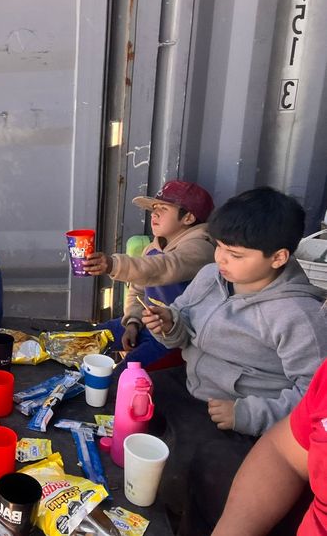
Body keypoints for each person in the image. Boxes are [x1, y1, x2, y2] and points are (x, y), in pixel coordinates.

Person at [141, 186, 327, 535]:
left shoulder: (299, 316)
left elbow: (313, 399)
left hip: (243, 417)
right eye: (220, 248)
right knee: (129, 393)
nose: (222, 260)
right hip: (191, 383)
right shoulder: (212, 277)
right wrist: (169, 324)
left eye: (236, 255)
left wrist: (247, 413)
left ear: (278, 257)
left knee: (196, 471)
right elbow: (183, 326)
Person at [83, 180, 215, 372]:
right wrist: (132, 323)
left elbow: (164, 268)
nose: (154, 213)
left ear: (188, 217)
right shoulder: (153, 248)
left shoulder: (201, 248)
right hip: (145, 326)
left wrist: (113, 264)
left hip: (174, 339)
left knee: (122, 376)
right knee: (85, 338)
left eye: (163, 208)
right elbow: (137, 290)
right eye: (154, 208)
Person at [213, 323, 327, 535]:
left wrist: (248, 413)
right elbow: (284, 453)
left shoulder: (300, 319)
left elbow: (303, 388)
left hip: (236, 412)